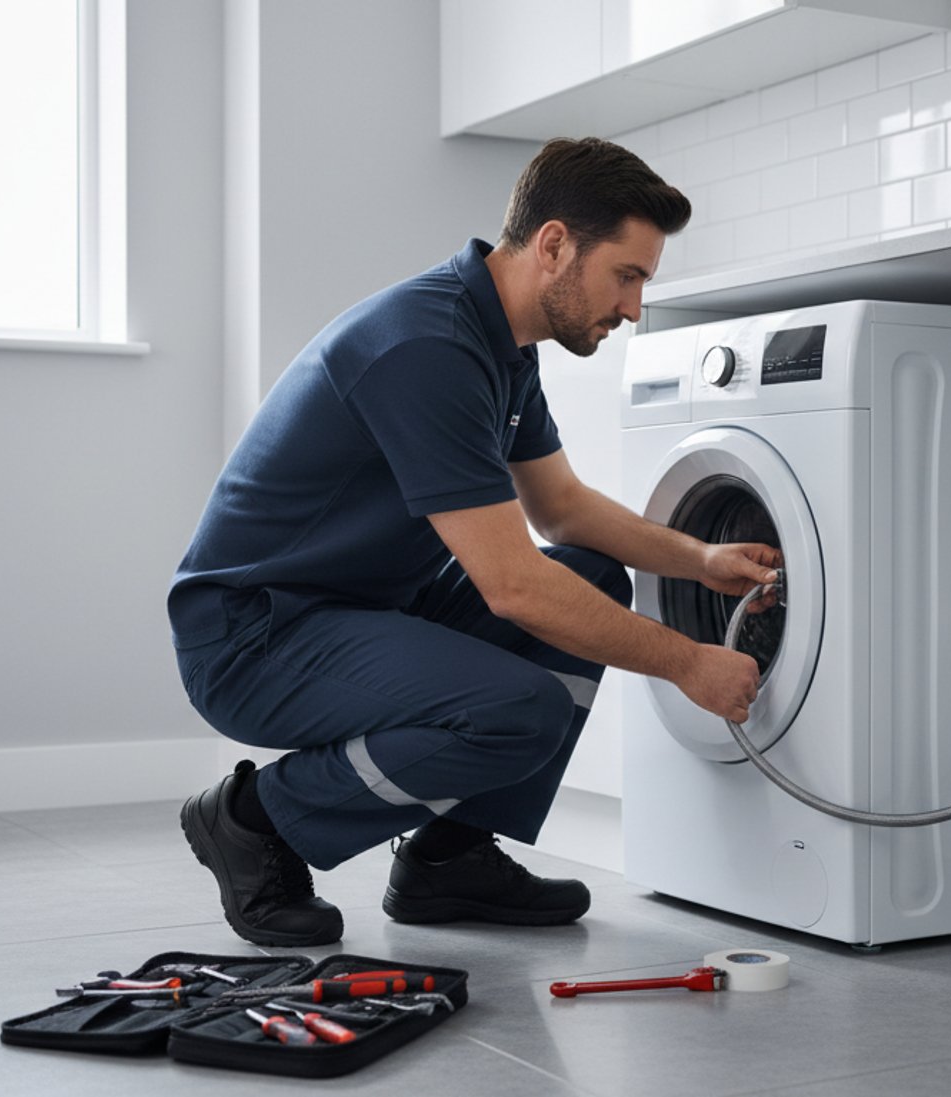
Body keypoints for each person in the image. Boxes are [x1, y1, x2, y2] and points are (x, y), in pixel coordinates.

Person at [169, 137, 782, 946]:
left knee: (595, 576)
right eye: (626, 275)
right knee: (516, 710)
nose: (634, 307)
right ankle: (255, 819)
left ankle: (447, 859)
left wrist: (699, 558)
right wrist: (688, 660)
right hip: (255, 632)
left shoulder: (504, 345)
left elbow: (560, 509)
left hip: (362, 605)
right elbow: (514, 587)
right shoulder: (428, 345)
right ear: (555, 244)